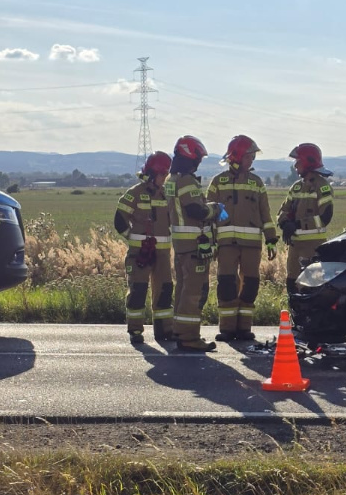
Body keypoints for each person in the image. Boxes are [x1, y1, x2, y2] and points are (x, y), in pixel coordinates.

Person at [206, 135, 278, 342]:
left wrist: (271, 239)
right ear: (236, 156)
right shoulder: (218, 182)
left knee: (250, 285)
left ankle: (244, 328)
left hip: (252, 245)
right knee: (226, 284)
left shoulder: (257, 183)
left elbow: (265, 214)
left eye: (253, 156)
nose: (252, 160)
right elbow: (208, 214)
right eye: (249, 156)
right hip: (226, 244)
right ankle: (227, 328)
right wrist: (210, 241)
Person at [165, 135, 220, 353]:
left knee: (183, 289)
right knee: (194, 292)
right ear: (191, 157)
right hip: (194, 246)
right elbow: (195, 210)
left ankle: (180, 330)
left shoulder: (171, 180)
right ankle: (189, 337)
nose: (198, 162)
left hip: (181, 245)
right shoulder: (187, 181)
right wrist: (214, 210)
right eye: (198, 158)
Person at [113, 151, 174, 346]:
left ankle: (164, 330)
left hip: (162, 254)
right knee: (138, 290)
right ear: (152, 173)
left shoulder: (166, 193)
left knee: (164, 291)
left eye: (166, 174)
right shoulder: (135, 193)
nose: (165, 178)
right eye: (163, 174)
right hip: (140, 253)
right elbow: (119, 220)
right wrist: (132, 237)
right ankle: (135, 330)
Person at [277, 142, 333, 296]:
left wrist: (297, 224)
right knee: (292, 284)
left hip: (313, 246)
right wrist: (284, 223)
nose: (295, 166)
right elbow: (283, 210)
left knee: (311, 287)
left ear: (309, 162)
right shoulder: (296, 187)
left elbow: (325, 217)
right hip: (295, 246)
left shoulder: (322, 187)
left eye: (298, 162)